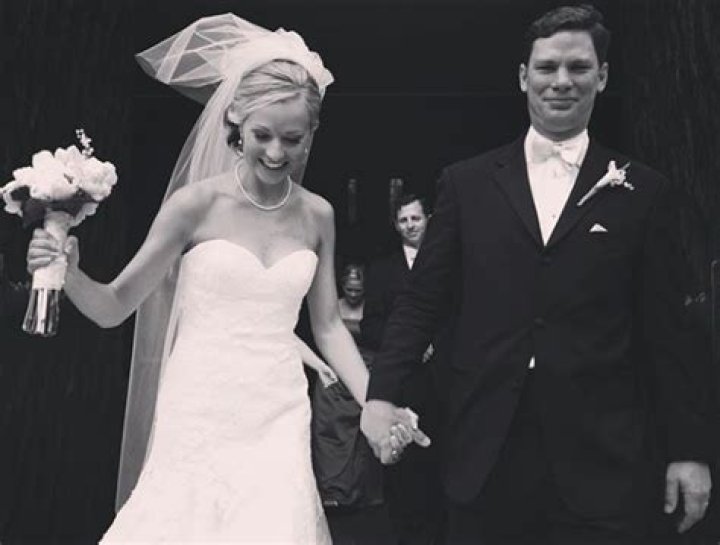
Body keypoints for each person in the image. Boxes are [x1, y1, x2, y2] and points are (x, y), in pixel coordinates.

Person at [26, 14, 426, 543]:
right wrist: (72, 274)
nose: (277, 153)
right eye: (263, 135)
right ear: (235, 118)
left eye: (293, 138)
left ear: (312, 132)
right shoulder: (193, 206)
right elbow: (115, 305)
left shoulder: (318, 215)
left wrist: (376, 401)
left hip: (279, 409)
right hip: (199, 407)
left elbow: (328, 327)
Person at [361, 5, 715, 544]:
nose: (562, 81)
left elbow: (668, 331)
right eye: (547, 67)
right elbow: (421, 301)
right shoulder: (466, 184)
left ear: (602, 76)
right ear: (524, 77)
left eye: (578, 67)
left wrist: (688, 450)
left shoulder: (644, 192)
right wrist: (382, 393)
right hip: (485, 450)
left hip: (603, 456)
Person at [362, 194, 443, 545]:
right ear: (395, 226)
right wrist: (410, 346)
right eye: (403, 220)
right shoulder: (383, 270)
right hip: (402, 383)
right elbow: (369, 324)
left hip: (443, 380)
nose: (410, 225)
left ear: (428, 220)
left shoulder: (446, 262)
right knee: (402, 466)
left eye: (415, 218)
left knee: (441, 459)